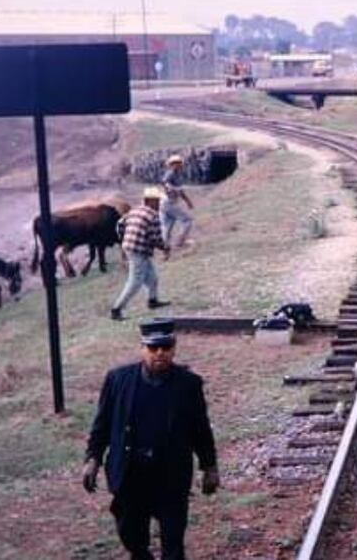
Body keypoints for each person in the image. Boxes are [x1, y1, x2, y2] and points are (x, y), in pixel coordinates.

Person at [83, 319, 220, 560]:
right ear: (142, 348)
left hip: (170, 475)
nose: (160, 353)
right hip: (131, 474)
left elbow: (200, 428)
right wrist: (93, 458)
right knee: (132, 534)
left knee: (173, 542)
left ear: (174, 348)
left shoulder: (188, 385)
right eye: (153, 348)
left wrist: (209, 466)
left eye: (166, 348)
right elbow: (102, 424)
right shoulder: (118, 380)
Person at [111, 188, 171, 321]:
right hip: (138, 250)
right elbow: (155, 238)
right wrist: (165, 248)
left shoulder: (135, 210)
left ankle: (152, 300)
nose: (159, 203)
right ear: (150, 201)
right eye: (157, 200)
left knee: (153, 277)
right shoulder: (153, 215)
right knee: (135, 281)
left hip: (131, 247)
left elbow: (120, 224)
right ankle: (116, 309)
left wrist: (124, 238)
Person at [160, 155, 194, 249]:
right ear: (171, 165)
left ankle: (165, 246)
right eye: (176, 163)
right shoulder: (170, 174)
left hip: (165, 202)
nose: (178, 165)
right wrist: (171, 189)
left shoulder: (176, 175)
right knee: (188, 220)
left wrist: (187, 201)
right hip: (169, 201)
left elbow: (180, 191)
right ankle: (180, 242)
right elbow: (165, 183)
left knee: (167, 225)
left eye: (179, 163)